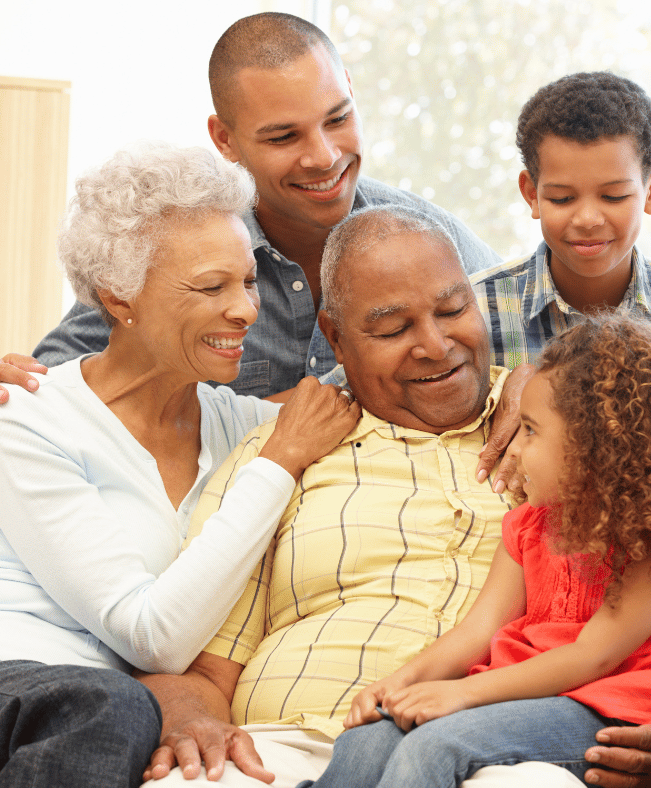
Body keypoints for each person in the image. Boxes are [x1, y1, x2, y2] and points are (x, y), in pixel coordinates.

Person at [138, 206, 585, 788]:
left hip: (492, 750)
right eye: (394, 329)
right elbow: (201, 665)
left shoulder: (567, 429)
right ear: (336, 338)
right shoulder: (286, 449)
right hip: (288, 744)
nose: (435, 344)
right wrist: (193, 725)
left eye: (453, 310)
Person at [0, 144, 360, 787]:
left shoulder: (248, 430)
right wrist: (277, 465)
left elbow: (391, 404)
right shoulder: (29, 419)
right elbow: (152, 637)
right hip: (26, 695)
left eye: (248, 281)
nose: (245, 309)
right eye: (210, 286)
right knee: (111, 707)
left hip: (112, 724)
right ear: (119, 298)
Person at [294, 312, 651, 788]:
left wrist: (464, 694)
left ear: (596, 447)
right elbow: (479, 630)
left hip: (616, 708)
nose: (514, 450)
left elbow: (591, 656)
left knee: (437, 745)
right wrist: (404, 682)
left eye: (531, 431)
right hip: (518, 695)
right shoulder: (529, 527)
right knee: (368, 737)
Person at [27, 12, 501, 399]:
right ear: (224, 139)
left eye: (338, 119)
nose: (324, 157)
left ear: (352, 91)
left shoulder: (425, 236)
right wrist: (22, 386)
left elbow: (529, 336)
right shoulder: (183, 245)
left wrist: (526, 381)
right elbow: (49, 380)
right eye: (283, 136)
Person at [470, 72, 651, 394]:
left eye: (613, 197)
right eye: (562, 199)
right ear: (531, 194)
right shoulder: (475, 313)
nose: (587, 219)